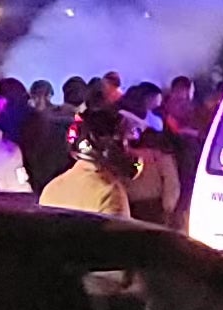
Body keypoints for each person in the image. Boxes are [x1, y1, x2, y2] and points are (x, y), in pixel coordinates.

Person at [40, 107, 139, 216]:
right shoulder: (109, 193)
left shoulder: (52, 188)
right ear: (110, 147)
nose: (131, 152)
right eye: (128, 142)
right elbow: (120, 233)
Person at [115, 83, 183, 225]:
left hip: (145, 206)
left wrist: (167, 207)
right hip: (129, 205)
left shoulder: (156, 145)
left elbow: (170, 180)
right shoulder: (117, 147)